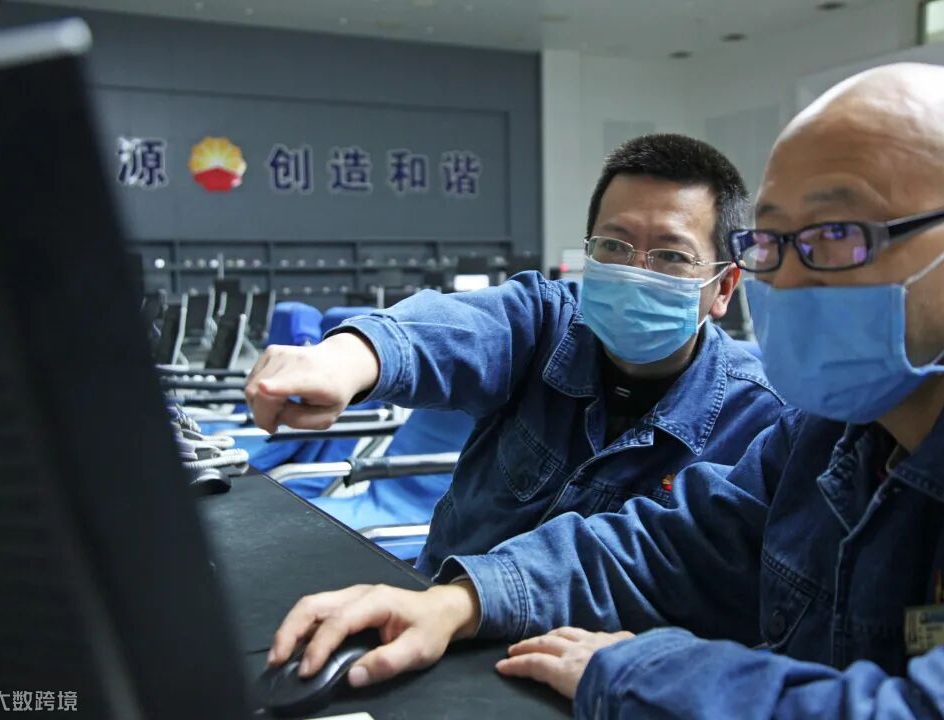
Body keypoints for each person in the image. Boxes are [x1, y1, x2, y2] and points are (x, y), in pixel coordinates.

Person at [266, 63, 944, 717]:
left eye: (837, 236)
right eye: (774, 242)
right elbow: (672, 543)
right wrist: (457, 601)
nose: (788, 280)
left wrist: (638, 670)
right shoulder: (834, 428)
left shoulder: (773, 408)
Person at [245, 134, 784, 575]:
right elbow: (445, 330)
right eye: (614, 246)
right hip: (435, 615)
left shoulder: (756, 417)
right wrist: (345, 358)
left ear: (723, 287)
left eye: (670, 256)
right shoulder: (544, 323)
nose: (634, 272)